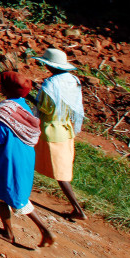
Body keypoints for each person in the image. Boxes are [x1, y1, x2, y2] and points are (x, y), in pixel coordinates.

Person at [0, 71, 54, 248]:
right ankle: (42, 230)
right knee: (18, 194)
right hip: (24, 156)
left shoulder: (5, 110)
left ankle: (13, 232)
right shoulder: (24, 107)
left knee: (2, 195)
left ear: (4, 89)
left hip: (7, 159)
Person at [34, 48, 87, 220]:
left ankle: (77, 208)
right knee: (62, 167)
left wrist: (33, 98)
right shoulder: (73, 80)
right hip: (65, 127)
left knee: (60, 173)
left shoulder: (51, 83)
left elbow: (45, 109)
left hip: (50, 129)